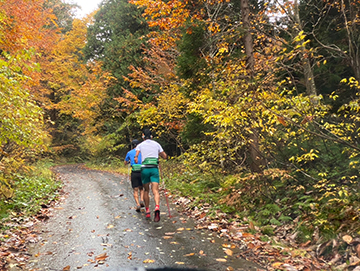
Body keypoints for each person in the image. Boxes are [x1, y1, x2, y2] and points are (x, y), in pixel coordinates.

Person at [134, 129, 167, 222]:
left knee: (146, 190)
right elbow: (164, 155)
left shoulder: (140, 145)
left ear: (143, 136)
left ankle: (147, 210)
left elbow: (136, 155)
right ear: (151, 136)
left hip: (145, 169)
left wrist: (136, 158)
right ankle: (157, 207)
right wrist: (161, 156)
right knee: (155, 190)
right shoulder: (156, 144)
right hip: (154, 168)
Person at [124, 139, 145, 212]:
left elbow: (125, 162)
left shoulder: (129, 152)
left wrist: (129, 161)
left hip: (134, 172)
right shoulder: (142, 152)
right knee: (142, 188)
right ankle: (142, 200)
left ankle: (138, 204)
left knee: (135, 190)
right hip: (142, 171)